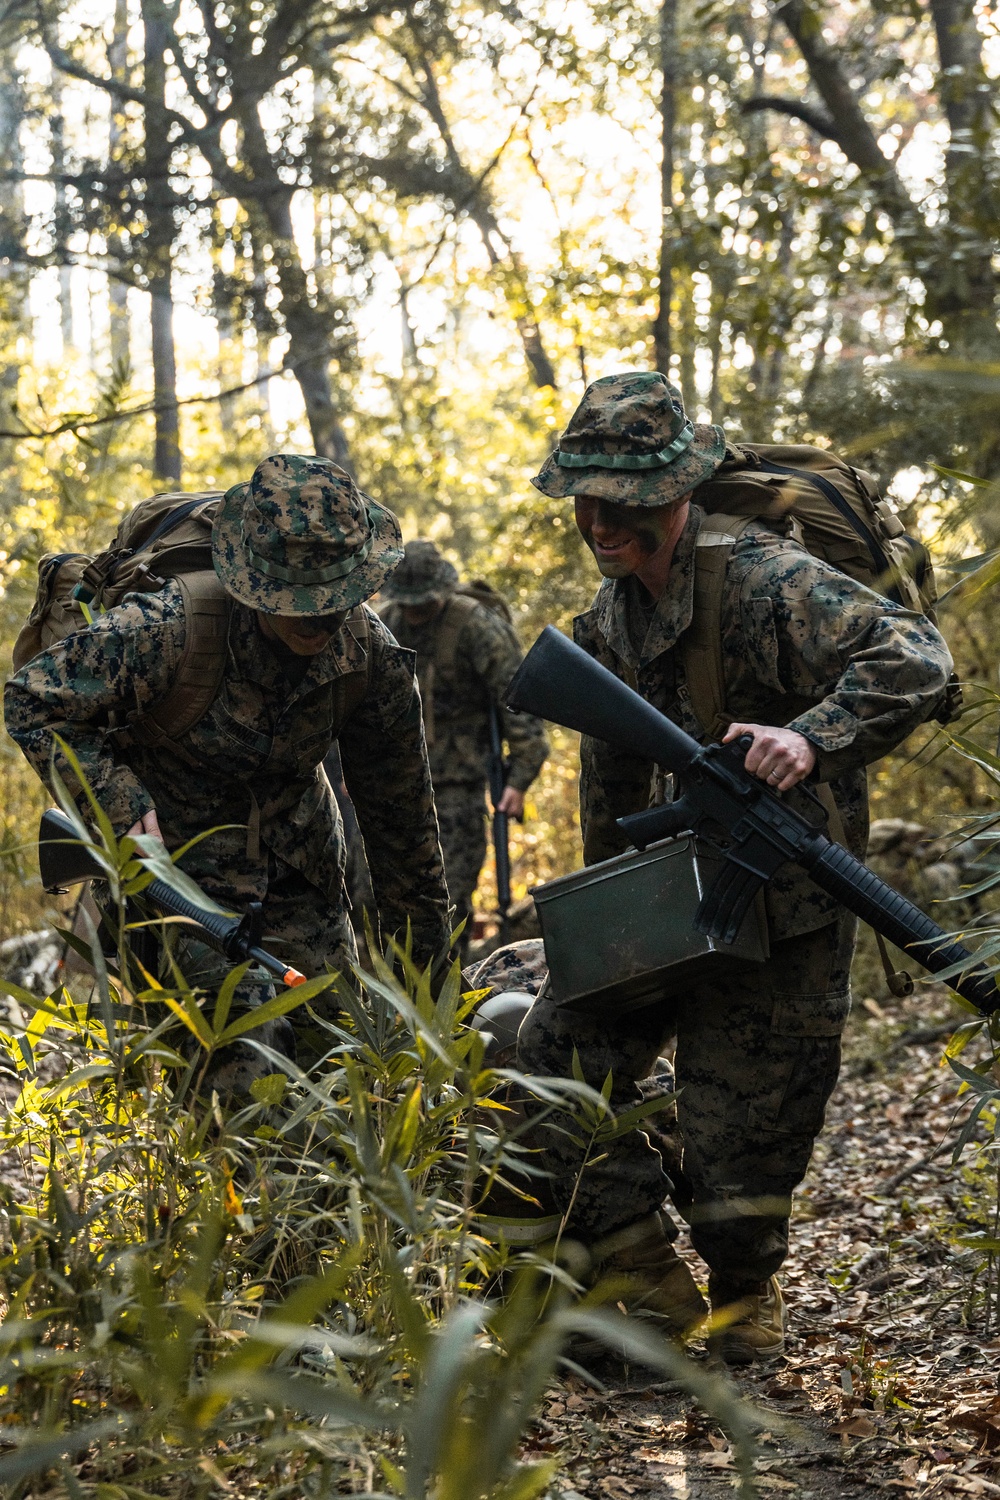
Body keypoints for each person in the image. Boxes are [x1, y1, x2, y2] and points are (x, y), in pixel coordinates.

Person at [517, 371, 954, 1363]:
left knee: (743, 1155)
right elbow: (607, 760)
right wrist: (601, 903)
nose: (598, 522)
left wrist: (811, 739)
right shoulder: (614, 603)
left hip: (784, 896)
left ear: (677, 496)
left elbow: (915, 657)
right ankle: (639, 1264)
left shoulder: (764, 576)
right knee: (545, 1072)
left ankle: (741, 1299)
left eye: (623, 504)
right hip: (657, 893)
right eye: (586, 501)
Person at [5, 455, 452, 1067]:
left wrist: (429, 993)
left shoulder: (369, 655)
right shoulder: (166, 627)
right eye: (298, 600)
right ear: (251, 579)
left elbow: (404, 833)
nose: (318, 617)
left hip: (301, 866)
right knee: (244, 1064)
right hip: (177, 874)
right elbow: (33, 700)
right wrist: (118, 806)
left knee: (339, 1066)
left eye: (334, 598)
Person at [378, 541, 548, 953]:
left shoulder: (475, 626)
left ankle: (447, 1003)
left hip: (458, 786)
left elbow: (518, 700)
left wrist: (520, 778)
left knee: (446, 905)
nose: (415, 612)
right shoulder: (382, 624)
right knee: (373, 902)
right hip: (390, 784)